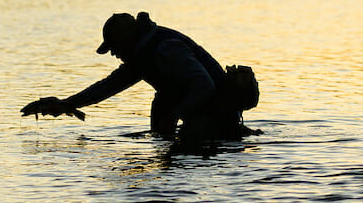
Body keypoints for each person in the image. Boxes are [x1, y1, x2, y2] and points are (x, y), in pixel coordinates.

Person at [22, 12, 248, 141]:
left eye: (114, 47)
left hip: (217, 115)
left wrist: (174, 116)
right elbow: (108, 86)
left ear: (128, 39)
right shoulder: (141, 56)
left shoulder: (165, 48)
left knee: (173, 123)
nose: (114, 54)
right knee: (162, 104)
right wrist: (66, 104)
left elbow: (205, 86)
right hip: (199, 113)